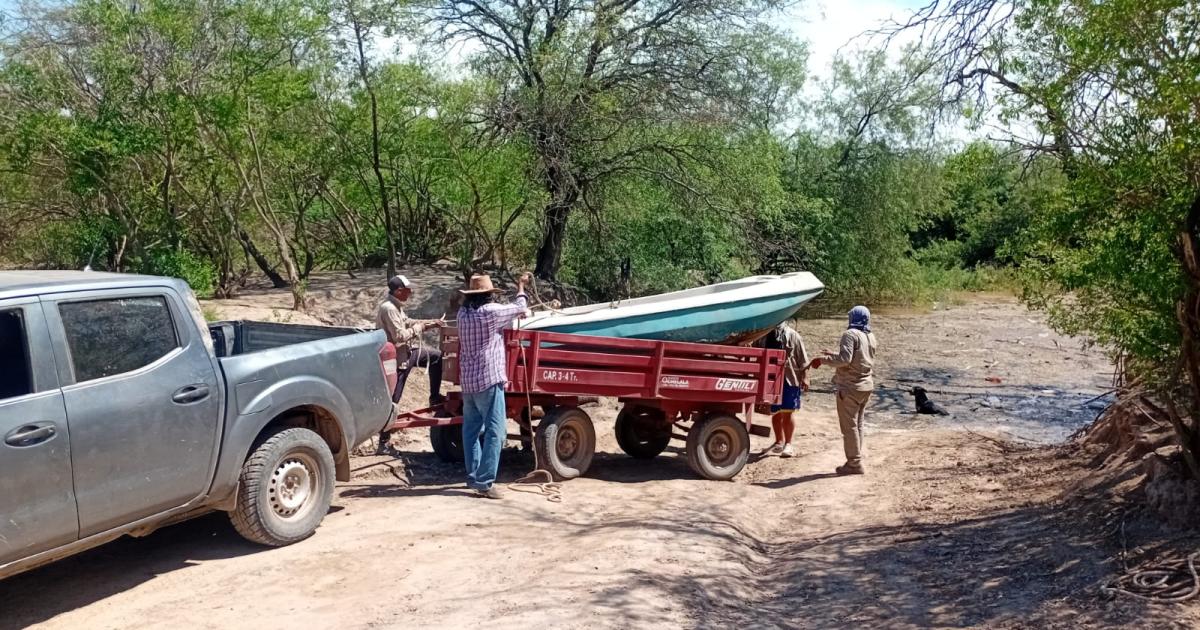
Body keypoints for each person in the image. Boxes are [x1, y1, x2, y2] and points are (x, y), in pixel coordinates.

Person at [457, 272, 530, 499]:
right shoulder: (491, 313)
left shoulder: (462, 314)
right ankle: (486, 482)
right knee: (495, 432)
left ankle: (473, 476)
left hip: (468, 382)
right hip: (488, 379)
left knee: (470, 431)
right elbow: (519, 306)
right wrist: (521, 285)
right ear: (489, 295)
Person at [376, 274, 445, 454]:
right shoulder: (389, 308)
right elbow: (399, 337)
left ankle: (435, 396)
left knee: (437, 357)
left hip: (407, 353)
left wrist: (430, 324)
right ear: (399, 291)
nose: (411, 292)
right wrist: (420, 328)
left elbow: (407, 322)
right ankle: (383, 443)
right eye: (408, 290)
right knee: (394, 401)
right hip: (397, 360)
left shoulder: (396, 306)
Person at [822, 305, 878, 475]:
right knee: (858, 424)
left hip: (850, 387)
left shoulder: (850, 334)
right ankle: (856, 458)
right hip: (865, 386)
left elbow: (845, 360)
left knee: (849, 427)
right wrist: (833, 354)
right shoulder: (870, 336)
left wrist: (823, 360)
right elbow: (858, 358)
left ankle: (854, 463)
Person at [761, 323, 813, 458]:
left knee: (787, 412)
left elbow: (804, 361)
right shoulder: (766, 334)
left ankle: (788, 444)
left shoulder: (794, 336)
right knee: (775, 412)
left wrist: (806, 378)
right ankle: (778, 442)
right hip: (771, 379)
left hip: (789, 378)